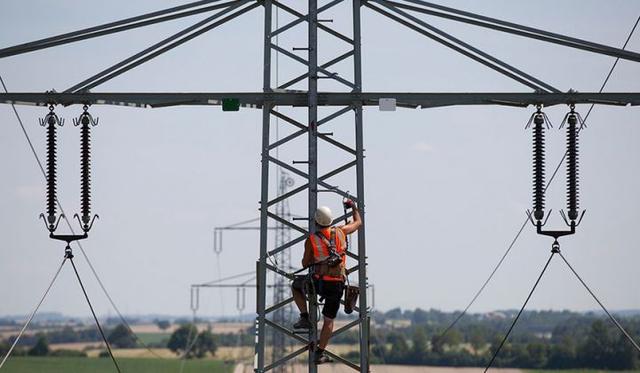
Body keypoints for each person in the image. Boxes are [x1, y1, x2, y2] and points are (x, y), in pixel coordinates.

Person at [291, 199, 362, 364]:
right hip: (337, 283)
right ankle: (320, 353)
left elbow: (305, 263)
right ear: (331, 220)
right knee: (329, 320)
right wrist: (353, 207)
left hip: (318, 283)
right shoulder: (341, 232)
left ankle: (305, 317)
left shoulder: (312, 240)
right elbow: (358, 223)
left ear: (316, 221)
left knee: (296, 286)